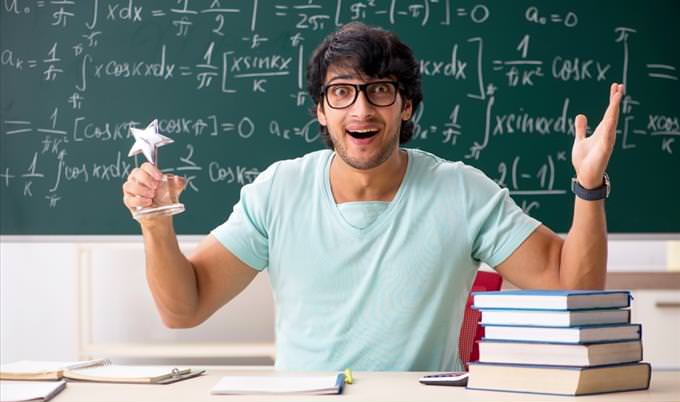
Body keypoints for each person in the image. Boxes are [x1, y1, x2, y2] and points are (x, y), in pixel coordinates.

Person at [122, 23, 623, 371]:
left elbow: (571, 287)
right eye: (341, 92)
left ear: (406, 106)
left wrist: (589, 187)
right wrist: (154, 222)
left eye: (380, 90)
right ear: (321, 110)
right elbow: (182, 310)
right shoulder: (278, 190)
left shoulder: (461, 190)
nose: (360, 109)